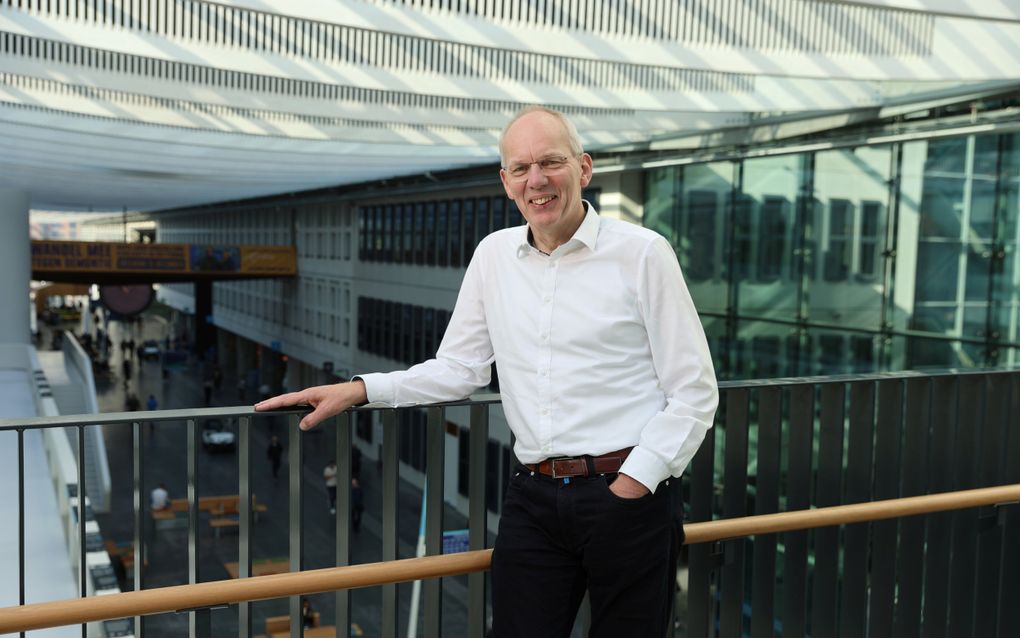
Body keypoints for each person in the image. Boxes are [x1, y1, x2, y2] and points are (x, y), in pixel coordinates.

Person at [256, 106, 718, 637]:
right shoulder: (492, 255)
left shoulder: (643, 254)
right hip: (534, 500)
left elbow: (693, 390)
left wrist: (635, 482)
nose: (537, 180)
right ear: (506, 182)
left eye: (551, 162)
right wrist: (362, 390)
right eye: (521, 168)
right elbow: (459, 368)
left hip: (627, 495)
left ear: (584, 169)